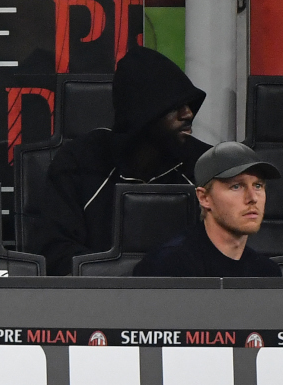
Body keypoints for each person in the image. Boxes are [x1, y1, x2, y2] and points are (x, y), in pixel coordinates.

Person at [32, 47, 210, 275]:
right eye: (175, 106)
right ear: (143, 113)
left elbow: (227, 248)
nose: (188, 114)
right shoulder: (79, 164)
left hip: (189, 302)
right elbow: (55, 252)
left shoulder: (204, 165)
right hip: (97, 301)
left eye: (189, 105)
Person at [133, 141, 283, 277]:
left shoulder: (266, 273)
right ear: (204, 198)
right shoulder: (169, 266)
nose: (252, 198)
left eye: (258, 186)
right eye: (236, 186)